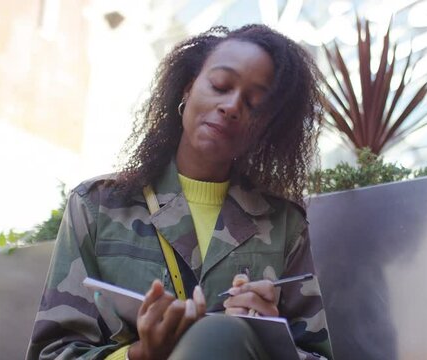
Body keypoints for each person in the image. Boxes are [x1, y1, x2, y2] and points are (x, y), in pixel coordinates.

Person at [26, 24, 332, 360]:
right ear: (187, 88)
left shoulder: (284, 225)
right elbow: (52, 353)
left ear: (267, 126)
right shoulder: (98, 205)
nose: (231, 106)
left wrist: (268, 338)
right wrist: (141, 354)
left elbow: (316, 355)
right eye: (220, 85)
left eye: (254, 104)